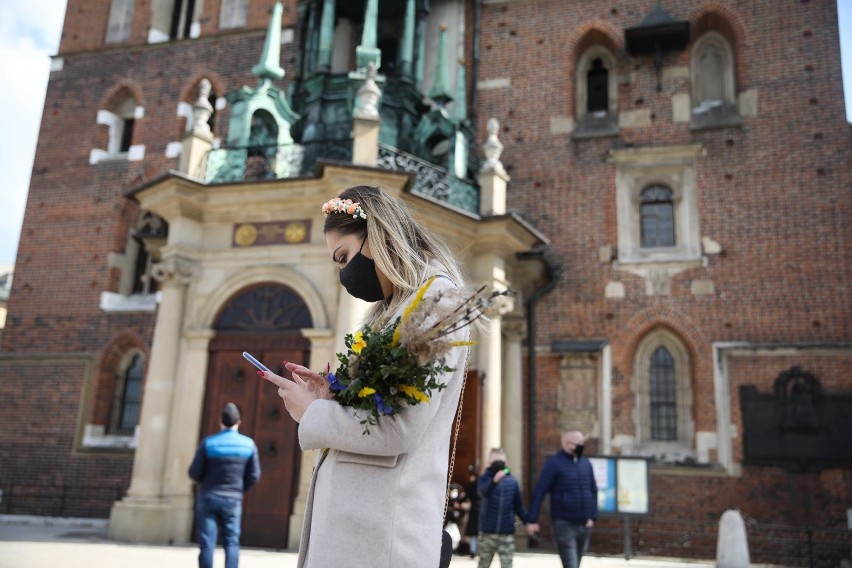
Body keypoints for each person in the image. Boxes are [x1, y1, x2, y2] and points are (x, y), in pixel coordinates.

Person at [257, 185, 471, 568]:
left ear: (378, 236)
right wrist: (331, 396)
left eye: (344, 257)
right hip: (363, 534)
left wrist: (313, 414)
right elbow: (381, 411)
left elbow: (400, 429)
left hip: (383, 538)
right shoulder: (398, 308)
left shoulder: (436, 302)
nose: (345, 274)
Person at [188, 402, 261, 568]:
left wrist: (205, 484)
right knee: (232, 541)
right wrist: (239, 490)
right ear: (239, 422)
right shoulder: (248, 444)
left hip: (208, 497)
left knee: (207, 542)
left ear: (220, 421)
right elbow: (254, 475)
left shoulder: (208, 443)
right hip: (233, 499)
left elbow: (194, 472)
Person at [527, 430, 598, 568]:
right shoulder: (554, 463)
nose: (582, 446)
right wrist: (532, 520)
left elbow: (593, 491)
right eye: (580, 443)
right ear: (568, 444)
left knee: (576, 563)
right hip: (564, 523)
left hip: (584, 524)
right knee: (570, 564)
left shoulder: (585, 464)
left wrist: (592, 517)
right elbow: (540, 491)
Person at [476, 448, 532, 568]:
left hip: (506, 534)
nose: (498, 464)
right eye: (495, 461)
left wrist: (528, 522)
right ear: (489, 462)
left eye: (500, 461)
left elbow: (519, 506)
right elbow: (481, 492)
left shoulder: (512, 481)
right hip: (487, 533)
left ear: (506, 463)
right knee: (483, 564)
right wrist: (493, 481)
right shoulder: (485, 478)